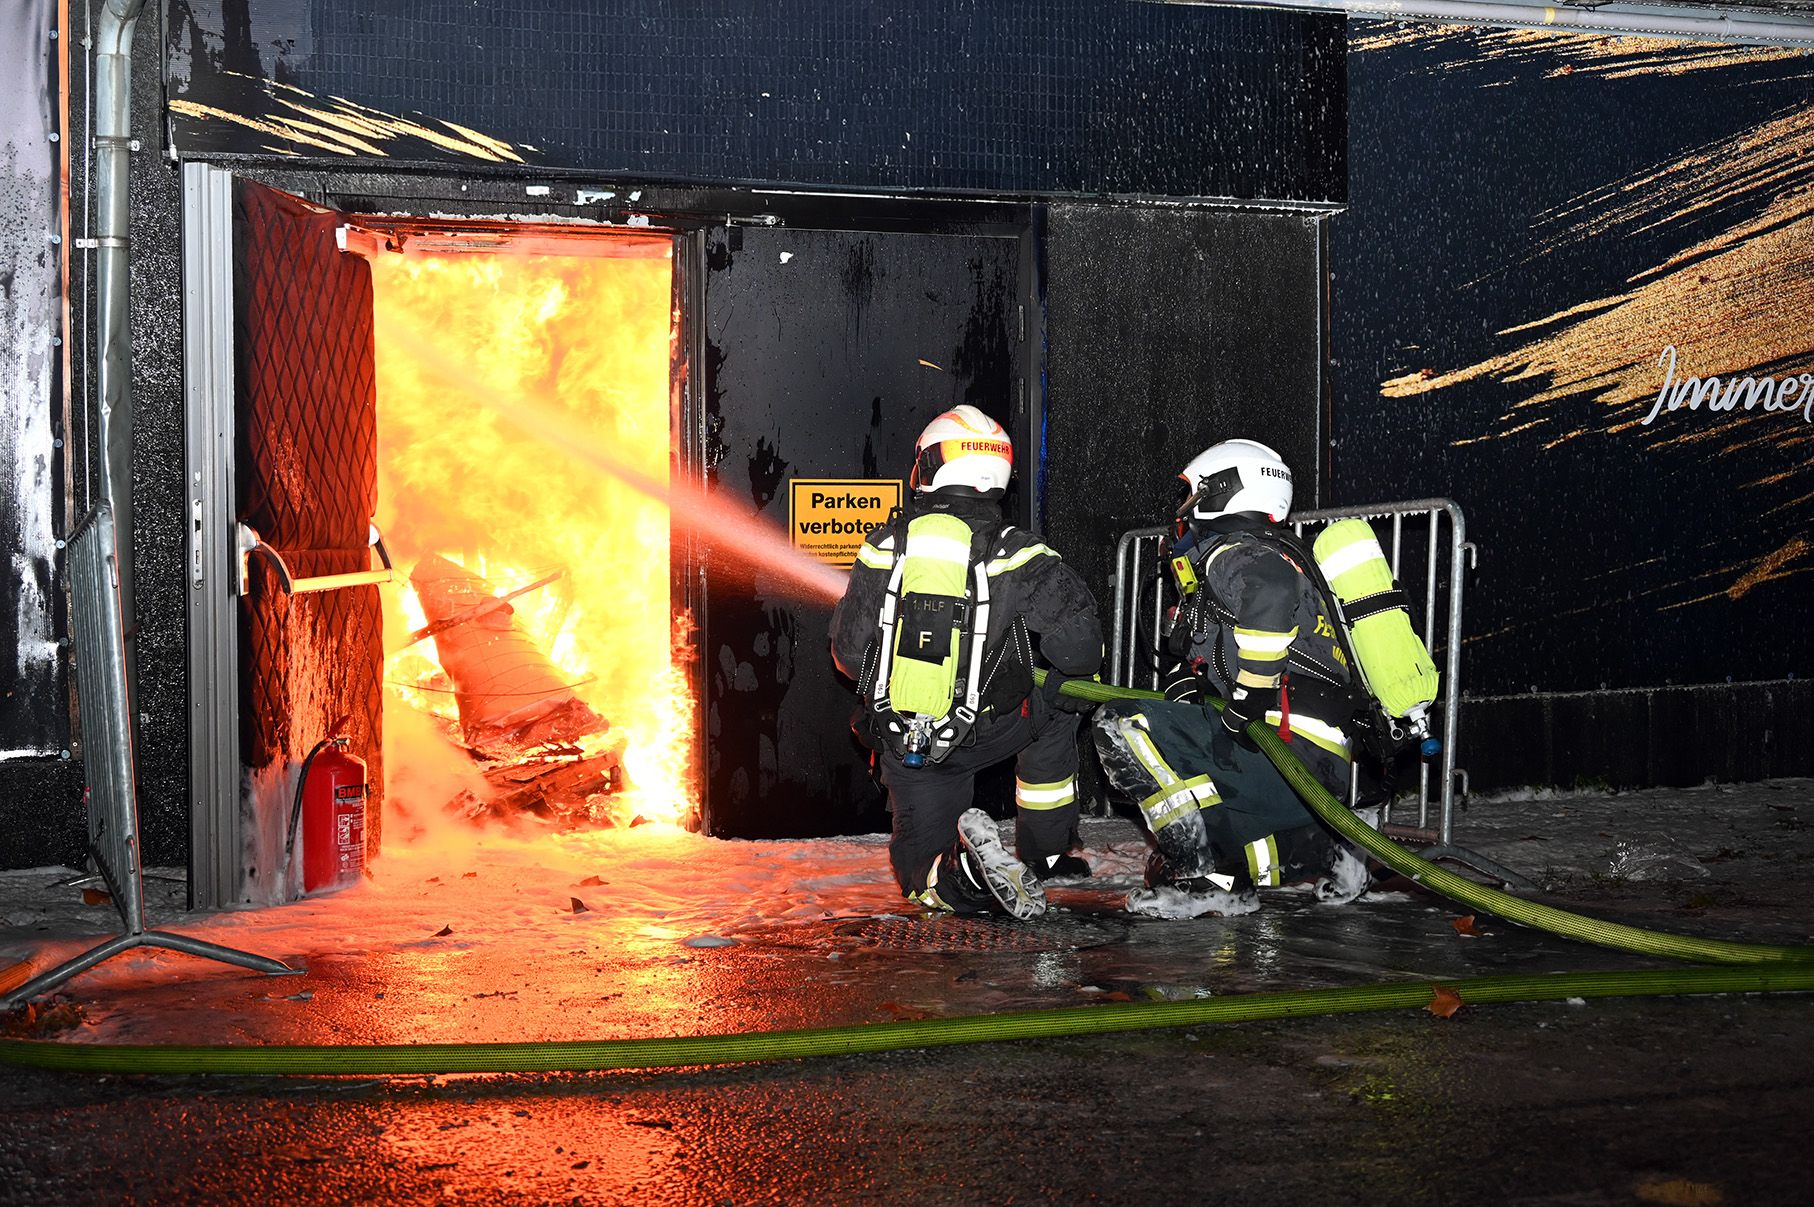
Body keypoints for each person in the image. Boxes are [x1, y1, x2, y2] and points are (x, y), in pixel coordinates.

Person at [832, 405, 1103, 920]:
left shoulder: (882, 547)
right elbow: (1079, 652)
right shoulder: (1022, 554)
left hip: (911, 744)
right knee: (1060, 703)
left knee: (922, 878)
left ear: (928, 468)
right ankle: (1045, 853)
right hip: (999, 726)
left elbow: (847, 657)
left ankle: (964, 874)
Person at [1090, 438, 1369, 917]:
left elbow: (1270, 597)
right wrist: (1201, 689)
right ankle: (1327, 852)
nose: (1184, 510)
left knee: (1119, 724)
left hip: (1285, 752)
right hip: (1317, 775)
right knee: (1184, 860)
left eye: (1191, 494)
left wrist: (1249, 694)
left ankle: (1197, 878)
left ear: (1220, 492)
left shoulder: (1236, 551)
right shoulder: (1285, 553)